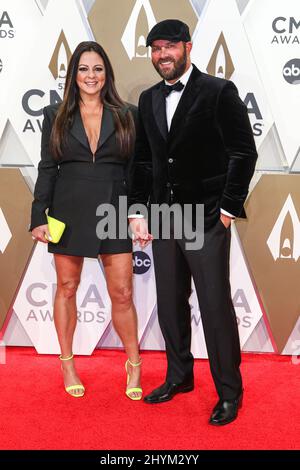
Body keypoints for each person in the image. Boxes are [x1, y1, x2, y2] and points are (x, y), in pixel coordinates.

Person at [129, 20, 258, 424]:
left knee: (215, 306)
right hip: (164, 218)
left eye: (169, 46)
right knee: (169, 304)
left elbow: (243, 152)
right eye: (155, 49)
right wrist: (138, 210)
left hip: (205, 217)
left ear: (187, 47)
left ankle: (229, 393)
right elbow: (144, 161)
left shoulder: (219, 92)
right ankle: (179, 376)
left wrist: (227, 207)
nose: (162, 55)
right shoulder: (149, 99)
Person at [30, 41, 142, 400]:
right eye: (83, 69)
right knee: (66, 287)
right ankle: (67, 363)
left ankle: (134, 364)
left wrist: (138, 211)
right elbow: (47, 167)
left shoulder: (128, 114)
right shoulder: (55, 115)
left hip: (113, 204)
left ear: (106, 73)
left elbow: (138, 170)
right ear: (73, 74)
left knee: (123, 292)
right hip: (68, 207)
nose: (90, 76)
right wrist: (38, 216)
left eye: (97, 69)